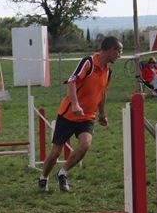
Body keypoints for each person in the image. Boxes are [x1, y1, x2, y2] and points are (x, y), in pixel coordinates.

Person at [38, 36, 122, 192]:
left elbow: (102, 94)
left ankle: (62, 174)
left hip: (87, 117)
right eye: (118, 51)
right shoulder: (88, 62)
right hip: (68, 114)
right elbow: (72, 82)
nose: (120, 55)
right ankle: (43, 177)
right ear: (110, 49)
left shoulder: (108, 72)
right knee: (56, 152)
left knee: (85, 145)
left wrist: (102, 115)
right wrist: (75, 104)